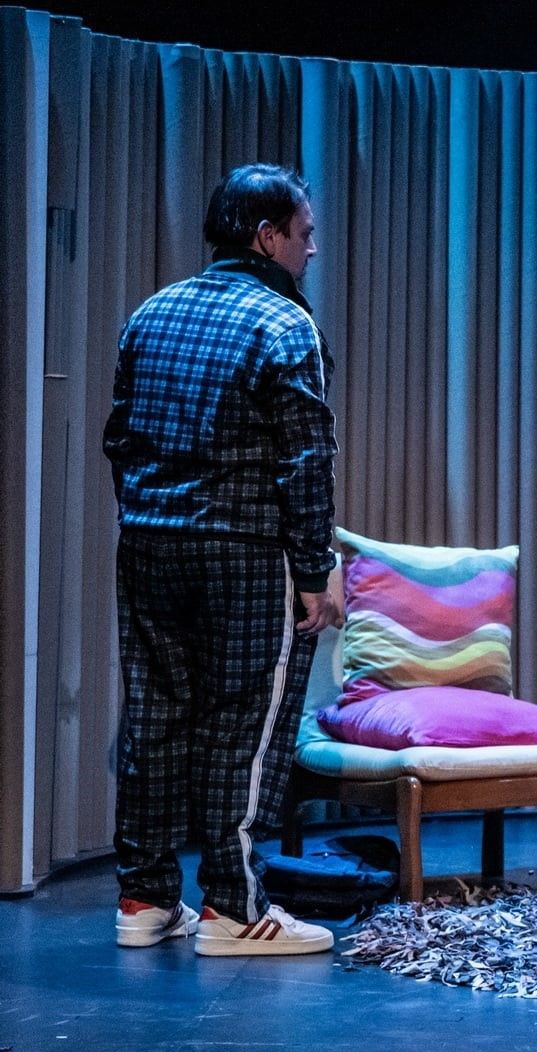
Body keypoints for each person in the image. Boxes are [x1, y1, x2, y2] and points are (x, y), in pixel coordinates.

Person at [103, 163, 342, 955]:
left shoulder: (151, 312)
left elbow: (119, 438)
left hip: (149, 541)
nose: (312, 250)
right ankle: (234, 909)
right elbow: (306, 460)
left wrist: (149, 512)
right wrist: (314, 571)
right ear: (266, 237)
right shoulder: (284, 324)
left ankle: (143, 898)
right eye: (304, 234)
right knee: (241, 723)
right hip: (242, 550)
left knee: (155, 714)